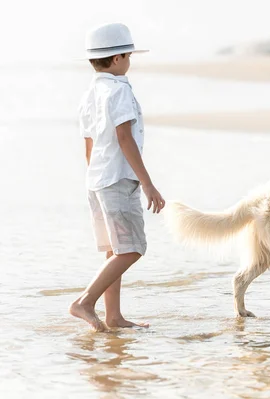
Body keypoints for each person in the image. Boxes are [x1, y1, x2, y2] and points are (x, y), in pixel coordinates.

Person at [69, 23, 165, 331]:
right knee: (132, 248)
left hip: (96, 180)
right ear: (117, 59)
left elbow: (89, 143)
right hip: (117, 181)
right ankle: (84, 302)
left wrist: (95, 177)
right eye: (128, 56)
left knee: (114, 251)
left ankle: (114, 317)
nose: (130, 62)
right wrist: (148, 184)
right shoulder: (120, 90)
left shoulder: (90, 94)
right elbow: (125, 137)